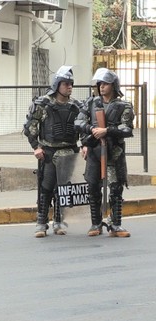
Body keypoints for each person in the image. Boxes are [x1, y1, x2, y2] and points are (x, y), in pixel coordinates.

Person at [23, 65, 81, 238]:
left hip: (69, 152)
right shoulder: (43, 104)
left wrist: (84, 145)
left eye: (71, 84)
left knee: (63, 189)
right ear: (57, 85)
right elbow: (29, 128)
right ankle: (41, 223)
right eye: (66, 83)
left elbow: (84, 127)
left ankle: (59, 220)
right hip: (48, 152)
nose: (69, 87)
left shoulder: (75, 106)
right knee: (46, 187)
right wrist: (36, 147)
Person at [75, 68, 134, 237]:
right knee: (93, 187)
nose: (101, 87)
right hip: (94, 150)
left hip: (114, 152)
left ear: (113, 85)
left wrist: (107, 131)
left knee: (115, 189)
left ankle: (116, 225)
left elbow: (127, 128)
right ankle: (95, 223)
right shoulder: (91, 103)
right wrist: (92, 129)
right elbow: (78, 121)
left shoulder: (124, 106)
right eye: (100, 83)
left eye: (105, 83)